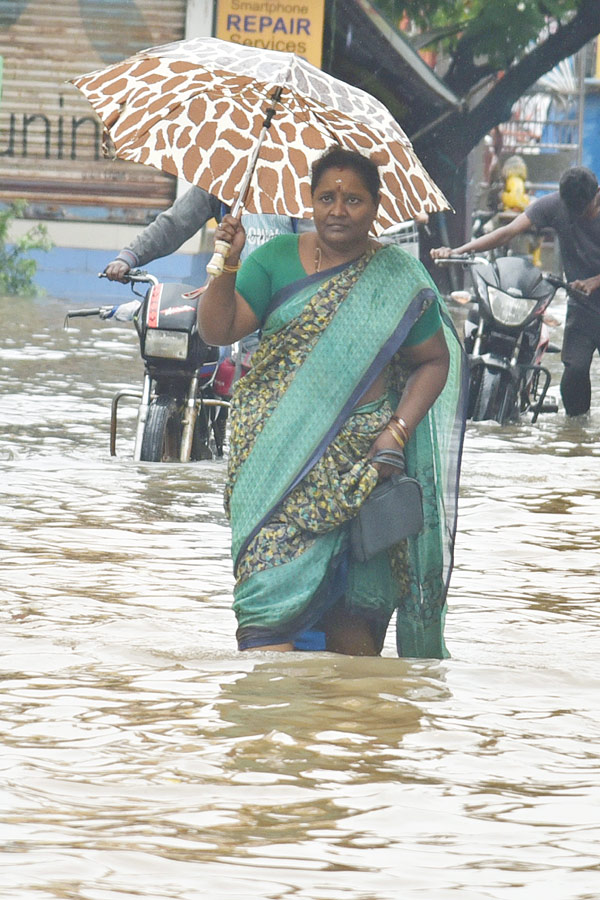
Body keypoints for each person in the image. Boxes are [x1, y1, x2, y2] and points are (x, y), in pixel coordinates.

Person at [198, 147, 467, 658]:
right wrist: (227, 263)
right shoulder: (273, 259)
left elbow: (434, 361)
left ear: (375, 206)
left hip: (362, 472)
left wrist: (397, 431)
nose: (338, 209)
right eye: (327, 197)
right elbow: (218, 328)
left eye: (353, 199)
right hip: (272, 468)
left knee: (353, 650)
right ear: (310, 201)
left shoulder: (396, 279)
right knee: (263, 626)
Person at [431, 165, 600, 417]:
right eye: (572, 210)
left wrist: (594, 281)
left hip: (592, 292)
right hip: (582, 308)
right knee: (574, 372)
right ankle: (578, 433)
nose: (579, 215)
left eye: (585, 209)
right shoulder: (555, 205)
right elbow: (507, 232)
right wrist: (459, 251)